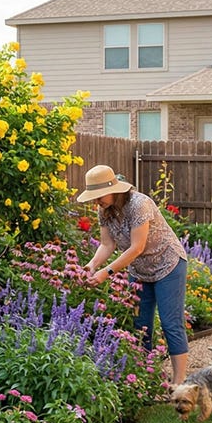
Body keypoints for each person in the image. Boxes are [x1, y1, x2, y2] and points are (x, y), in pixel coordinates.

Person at [76, 164, 189, 385]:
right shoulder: (104, 210)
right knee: (140, 325)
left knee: (170, 323)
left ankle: (178, 384)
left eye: (99, 195)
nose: (96, 201)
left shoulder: (140, 204)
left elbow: (137, 247)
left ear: (114, 189)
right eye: (94, 196)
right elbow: (107, 244)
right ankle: (146, 379)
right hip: (139, 270)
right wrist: (91, 265)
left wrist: (106, 272)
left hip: (169, 265)